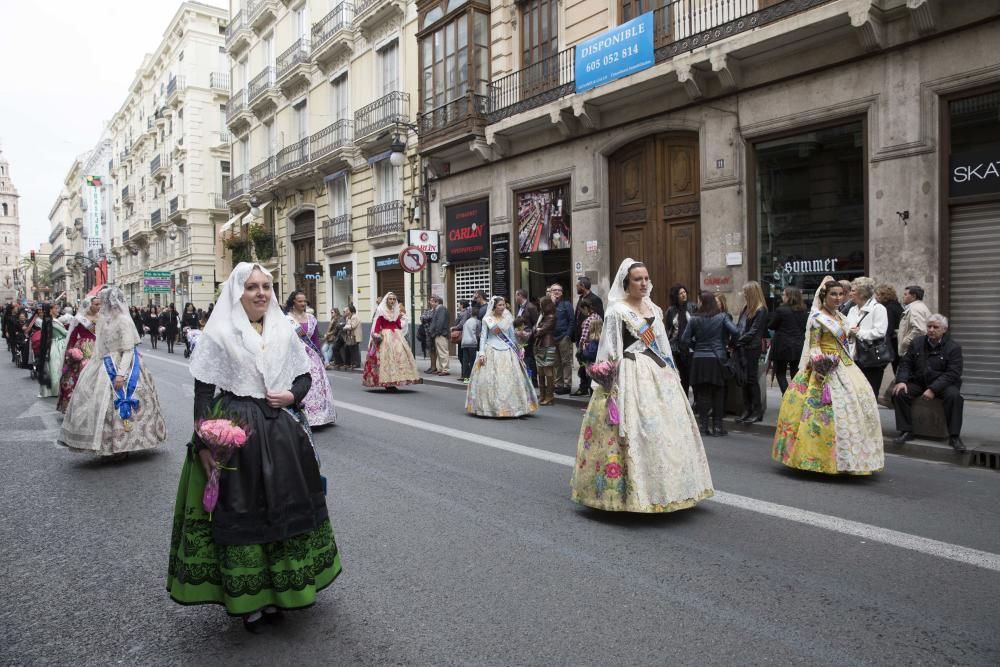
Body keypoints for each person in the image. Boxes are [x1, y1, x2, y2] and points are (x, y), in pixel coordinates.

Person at [167, 263, 341, 632]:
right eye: (251, 287)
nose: (261, 293)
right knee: (243, 512)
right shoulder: (218, 333)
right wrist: (206, 440)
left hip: (279, 431)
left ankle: (281, 592)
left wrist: (291, 394)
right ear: (236, 292)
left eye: (266, 286)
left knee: (283, 511)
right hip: (236, 430)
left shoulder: (283, 328)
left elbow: (304, 375)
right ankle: (250, 602)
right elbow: (203, 393)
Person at [570, 258, 714, 513]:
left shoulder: (654, 310)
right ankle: (629, 493)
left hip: (658, 374)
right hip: (629, 373)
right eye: (638, 279)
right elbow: (610, 349)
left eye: (646, 278)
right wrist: (607, 382)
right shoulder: (616, 311)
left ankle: (670, 488)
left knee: (665, 432)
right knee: (632, 432)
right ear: (626, 283)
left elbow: (663, 346)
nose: (644, 283)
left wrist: (673, 373)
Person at [771, 277, 884, 475]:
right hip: (824, 368)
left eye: (841, 294)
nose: (838, 298)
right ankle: (817, 458)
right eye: (833, 294)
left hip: (846, 365)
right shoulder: (817, 318)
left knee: (855, 408)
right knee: (821, 415)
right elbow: (814, 346)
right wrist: (821, 365)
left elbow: (847, 340)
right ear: (824, 296)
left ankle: (852, 458)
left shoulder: (841, 317)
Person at [57, 286, 167, 459]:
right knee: (97, 403)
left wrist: (120, 374)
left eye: (103, 302)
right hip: (103, 362)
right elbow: (99, 346)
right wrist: (92, 364)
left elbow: (128, 349)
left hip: (123, 363)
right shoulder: (103, 319)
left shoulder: (123, 320)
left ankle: (123, 445)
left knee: (118, 405)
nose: (101, 305)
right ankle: (106, 445)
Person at [892, 314, 966, 452]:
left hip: (943, 384)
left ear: (944, 329)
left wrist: (933, 389)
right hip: (920, 381)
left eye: (935, 327)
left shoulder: (953, 347)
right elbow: (905, 363)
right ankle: (906, 431)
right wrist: (902, 381)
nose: (931, 330)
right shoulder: (917, 342)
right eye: (929, 326)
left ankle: (954, 436)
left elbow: (953, 373)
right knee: (900, 392)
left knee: (954, 397)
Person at [466, 296, 538, 417]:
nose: (503, 307)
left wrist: (520, 347)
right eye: (500, 305)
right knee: (490, 381)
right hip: (491, 350)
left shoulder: (508, 318)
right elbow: (483, 337)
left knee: (510, 380)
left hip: (507, 350)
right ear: (494, 307)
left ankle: (512, 408)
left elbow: (511, 336)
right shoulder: (487, 319)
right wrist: (482, 352)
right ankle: (491, 408)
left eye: (504, 305)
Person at [683, 291, 739, 437]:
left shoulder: (694, 319)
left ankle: (703, 427)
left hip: (699, 360)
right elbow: (736, 332)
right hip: (717, 359)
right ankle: (718, 427)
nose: (698, 303)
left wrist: (696, 346)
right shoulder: (722, 317)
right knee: (718, 393)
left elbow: (684, 339)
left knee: (702, 394)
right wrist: (728, 344)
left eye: (699, 301)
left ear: (703, 302)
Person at [285, 291, 337, 427]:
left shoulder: (311, 318)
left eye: (304, 301)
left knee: (316, 384)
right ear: (293, 302)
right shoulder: (286, 319)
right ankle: (302, 415)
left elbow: (314, 340)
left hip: (311, 357)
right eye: (300, 301)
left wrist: (320, 356)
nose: (303, 304)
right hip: (294, 357)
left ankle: (319, 415)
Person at [362, 292, 422, 390]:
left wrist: (403, 319)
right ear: (387, 300)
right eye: (390, 299)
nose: (392, 301)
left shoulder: (396, 311)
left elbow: (398, 325)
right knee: (386, 359)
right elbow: (377, 324)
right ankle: (387, 381)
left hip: (396, 336)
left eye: (394, 299)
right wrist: (376, 334)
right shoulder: (381, 310)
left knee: (400, 357)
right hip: (386, 336)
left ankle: (396, 380)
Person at [846, 276, 891, 396]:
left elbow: (880, 332)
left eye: (853, 291)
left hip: (871, 358)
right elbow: (847, 329)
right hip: (853, 357)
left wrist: (859, 333)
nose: (850, 294)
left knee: (870, 393)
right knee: (855, 394)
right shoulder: (852, 310)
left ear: (862, 293)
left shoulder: (878, 309)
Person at [733, 281, 768, 423]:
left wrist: (738, 341)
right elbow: (740, 326)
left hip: (752, 348)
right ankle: (747, 410)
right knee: (744, 380)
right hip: (743, 346)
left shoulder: (761, 310)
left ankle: (757, 411)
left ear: (752, 293)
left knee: (752, 380)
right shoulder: (747, 308)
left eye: (746, 292)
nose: (744, 294)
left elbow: (754, 331)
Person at [767, 286, 809, 394]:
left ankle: (787, 398)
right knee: (795, 374)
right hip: (798, 346)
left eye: (784, 294)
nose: (782, 296)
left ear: (788, 296)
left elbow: (771, 325)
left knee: (780, 373)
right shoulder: (804, 311)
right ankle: (795, 398)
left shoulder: (781, 310)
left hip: (782, 346)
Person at [665, 284, 696, 398]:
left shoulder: (692, 307)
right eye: (680, 293)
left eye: (684, 292)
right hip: (676, 347)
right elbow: (669, 328)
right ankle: (684, 399)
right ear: (676, 296)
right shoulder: (671, 311)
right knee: (681, 376)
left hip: (690, 346)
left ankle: (696, 402)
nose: (684, 295)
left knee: (691, 375)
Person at [37, 303, 69, 399]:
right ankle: (56, 389)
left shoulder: (50, 320)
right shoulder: (51, 321)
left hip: (56, 345)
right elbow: (65, 333)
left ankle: (56, 389)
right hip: (56, 345)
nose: (58, 310)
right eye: (56, 308)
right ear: (50, 310)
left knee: (54, 367)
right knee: (56, 368)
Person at [551, 283, 575, 394]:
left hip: (563, 337)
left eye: (558, 290)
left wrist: (568, 335)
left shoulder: (566, 304)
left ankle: (567, 385)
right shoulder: (548, 305)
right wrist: (551, 303)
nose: (556, 292)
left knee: (566, 362)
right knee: (556, 363)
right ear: (550, 292)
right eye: (554, 290)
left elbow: (572, 320)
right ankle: (558, 384)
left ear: (562, 292)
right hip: (552, 337)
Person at [573, 301, 601, 396]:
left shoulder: (588, 320)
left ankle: (586, 391)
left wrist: (581, 349)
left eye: (582, 310)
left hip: (588, 350)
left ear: (585, 308)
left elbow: (583, 338)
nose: (582, 312)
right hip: (597, 351)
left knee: (587, 373)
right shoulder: (598, 317)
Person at [533, 295, 557, 406]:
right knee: (540, 371)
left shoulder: (551, 316)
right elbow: (535, 329)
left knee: (548, 370)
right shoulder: (542, 315)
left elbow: (540, 331)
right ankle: (542, 395)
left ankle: (549, 396)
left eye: (541, 304)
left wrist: (538, 329)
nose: (539, 306)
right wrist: (537, 328)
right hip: (540, 345)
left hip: (548, 345)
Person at [898, 285, 931, 360]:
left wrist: (905, 342)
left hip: (911, 353)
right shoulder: (919, 307)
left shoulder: (915, 309)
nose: (903, 296)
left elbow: (920, 329)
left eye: (906, 294)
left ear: (913, 296)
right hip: (915, 352)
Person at [876, 284, 904, 375]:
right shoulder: (897, 305)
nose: (876, 297)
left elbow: (888, 329)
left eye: (878, 295)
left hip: (893, 344)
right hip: (897, 343)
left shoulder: (889, 308)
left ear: (885, 295)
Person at [514, 289, 539, 387]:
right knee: (523, 359)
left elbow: (536, 323)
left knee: (530, 359)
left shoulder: (531, 307)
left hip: (529, 339)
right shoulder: (519, 307)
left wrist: (528, 333)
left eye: (516, 295)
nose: (515, 297)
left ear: (520, 295)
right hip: (520, 339)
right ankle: (526, 379)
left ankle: (533, 381)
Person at [426, 295, 450, 376]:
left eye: (432, 301)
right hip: (439, 334)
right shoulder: (438, 309)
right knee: (439, 352)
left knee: (443, 352)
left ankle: (445, 369)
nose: (430, 303)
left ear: (437, 302)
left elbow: (440, 322)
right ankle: (441, 368)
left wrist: (436, 332)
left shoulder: (441, 309)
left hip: (441, 334)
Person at [459, 307, 480, 383]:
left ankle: (466, 379)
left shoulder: (466, 321)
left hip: (464, 343)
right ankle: (472, 378)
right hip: (472, 343)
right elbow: (478, 334)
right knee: (472, 361)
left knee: (465, 361)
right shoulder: (477, 322)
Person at [343, 304, 362, 369]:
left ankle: (356, 364)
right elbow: (348, 325)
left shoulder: (355, 317)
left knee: (355, 350)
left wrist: (345, 327)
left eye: (348, 310)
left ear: (351, 310)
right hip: (350, 336)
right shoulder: (348, 317)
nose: (347, 311)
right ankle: (352, 363)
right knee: (350, 349)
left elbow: (352, 326)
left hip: (355, 336)